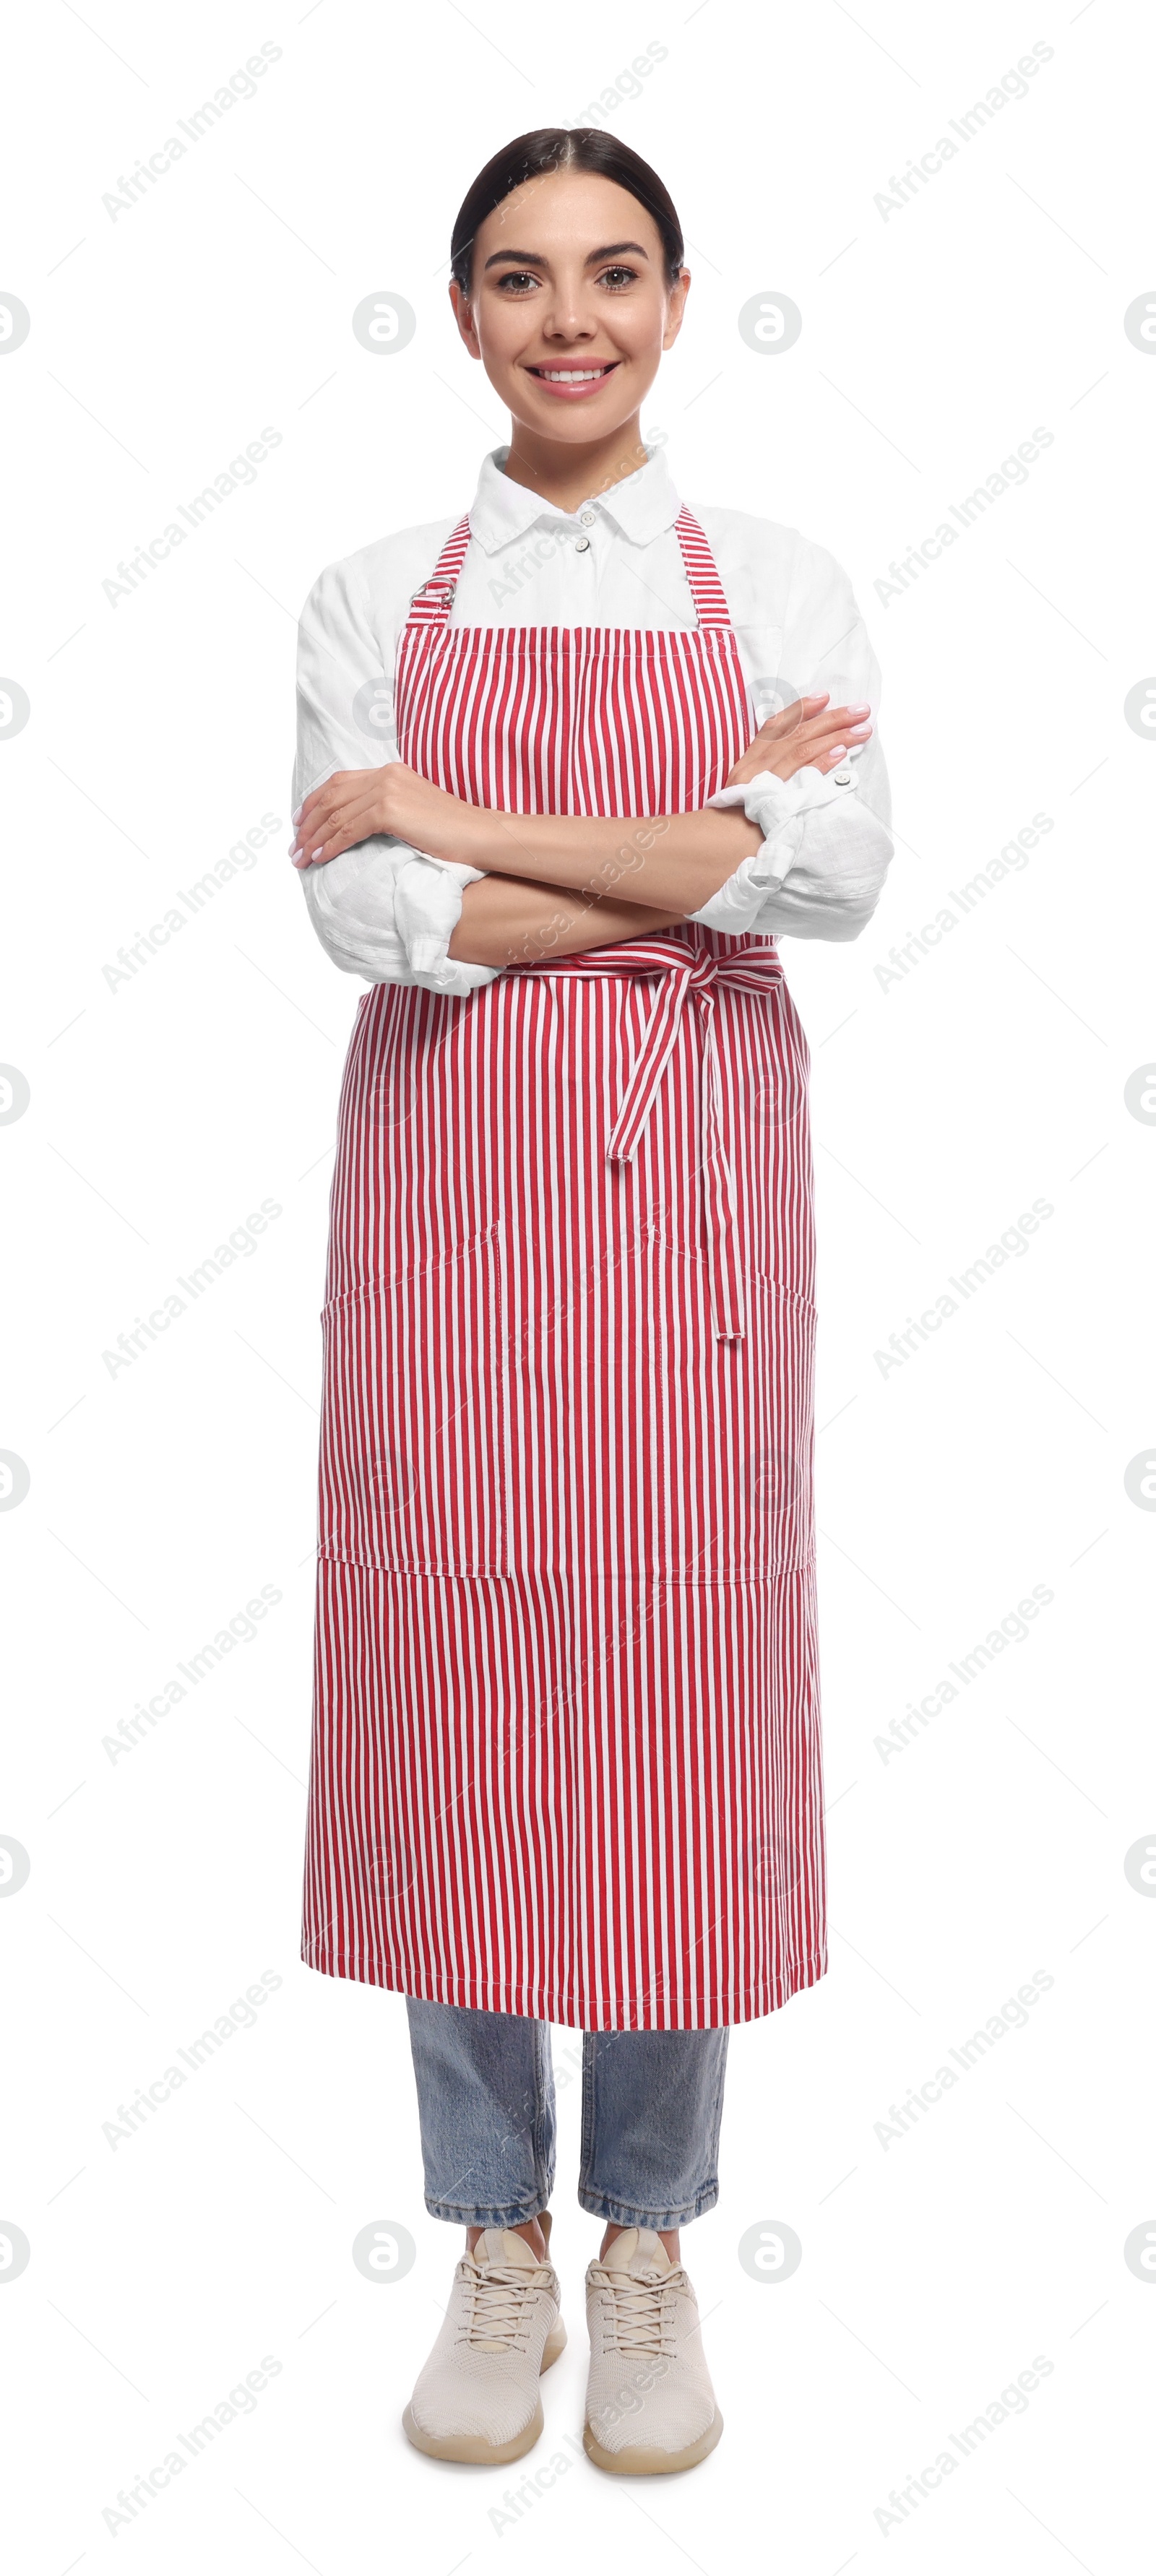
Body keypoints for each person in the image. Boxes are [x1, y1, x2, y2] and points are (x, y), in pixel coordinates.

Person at [291, 125, 892, 2478]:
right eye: (524, 278)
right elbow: (376, 936)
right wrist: (695, 855)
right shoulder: (366, 590)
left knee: (678, 1681)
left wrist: (458, 815)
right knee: (455, 1669)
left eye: (617, 274)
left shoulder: (781, 576)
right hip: (448, 1192)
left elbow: (836, 883)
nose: (573, 318)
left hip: (698, 1207)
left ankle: (645, 2232)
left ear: (672, 298)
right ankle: (488, 2226)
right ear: (464, 315)